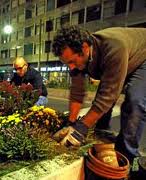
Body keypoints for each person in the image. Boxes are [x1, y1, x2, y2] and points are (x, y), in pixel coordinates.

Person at [52, 26, 146, 163]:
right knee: (101, 106)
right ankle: (103, 135)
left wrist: (81, 129)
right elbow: (77, 92)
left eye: (72, 61)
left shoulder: (113, 48)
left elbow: (107, 96)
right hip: (123, 59)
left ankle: (128, 157)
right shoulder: (79, 57)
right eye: (67, 63)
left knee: (134, 101)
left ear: (84, 48)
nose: (70, 67)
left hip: (142, 57)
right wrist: (71, 123)